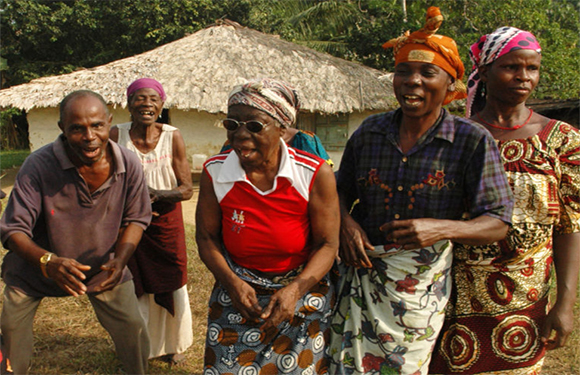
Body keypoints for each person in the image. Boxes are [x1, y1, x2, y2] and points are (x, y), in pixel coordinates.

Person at [328, 7, 514, 375]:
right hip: (360, 277)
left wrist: (441, 228)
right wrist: (346, 224)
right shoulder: (369, 132)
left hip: (419, 290)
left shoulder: (470, 141)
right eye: (403, 71)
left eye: (427, 73)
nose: (412, 81)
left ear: (450, 86)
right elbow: (334, 194)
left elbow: (498, 222)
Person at [429, 27, 580, 375]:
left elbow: (571, 226)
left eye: (532, 68)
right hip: (452, 295)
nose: (524, 77)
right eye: (512, 67)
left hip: (526, 304)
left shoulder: (561, 141)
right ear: (483, 71)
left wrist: (565, 303)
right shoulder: (452, 136)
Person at [0, 90, 151, 374]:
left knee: (134, 331)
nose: (89, 136)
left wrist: (120, 260)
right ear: (62, 129)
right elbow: (13, 230)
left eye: (96, 125)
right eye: (77, 128)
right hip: (35, 268)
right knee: (9, 334)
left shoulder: (128, 164)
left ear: (109, 122)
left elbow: (137, 218)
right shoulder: (38, 166)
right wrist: (48, 262)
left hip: (102, 268)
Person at [196, 78, 339, 374]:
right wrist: (232, 283)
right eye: (232, 124)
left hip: (301, 289)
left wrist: (295, 291)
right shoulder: (215, 171)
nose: (240, 135)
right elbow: (206, 237)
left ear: (283, 130)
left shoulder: (312, 173)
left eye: (254, 126)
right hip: (238, 288)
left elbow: (328, 244)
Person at [110, 78, 194, 365]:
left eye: (153, 99)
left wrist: (156, 195)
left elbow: (186, 189)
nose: (146, 104)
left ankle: (173, 345)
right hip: (128, 222)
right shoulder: (116, 135)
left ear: (161, 104)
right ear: (129, 103)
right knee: (134, 282)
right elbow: (107, 180)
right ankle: (140, 346)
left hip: (165, 223)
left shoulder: (173, 136)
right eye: (139, 99)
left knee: (171, 279)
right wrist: (133, 205)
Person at [221, 127, 334, 167]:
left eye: (255, 125)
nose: (242, 133)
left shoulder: (305, 141)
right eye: (232, 124)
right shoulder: (232, 145)